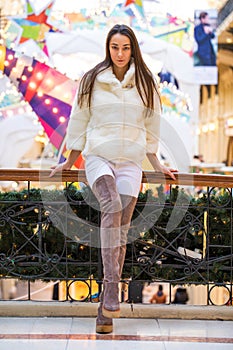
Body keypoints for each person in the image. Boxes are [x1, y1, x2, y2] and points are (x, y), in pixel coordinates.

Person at [50, 24, 177, 334]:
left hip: (131, 162)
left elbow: (152, 126)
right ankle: (111, 289)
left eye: (125, 48)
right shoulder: (92, 80)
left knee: (119, 224)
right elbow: (78, 120)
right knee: (111, 204)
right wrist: (69, 160)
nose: (120, 54)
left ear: (133, 49)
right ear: (107, 48)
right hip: (98, 157)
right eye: (114, 47)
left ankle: (104, 313)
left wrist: (156, 163)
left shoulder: (146, 83)